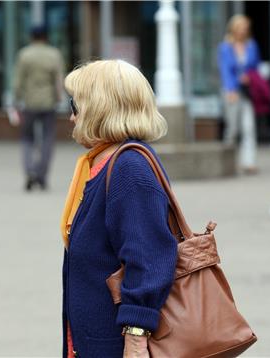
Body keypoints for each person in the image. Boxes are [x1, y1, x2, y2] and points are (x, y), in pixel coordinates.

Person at [60, 60, 177, 357]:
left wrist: (136, 339)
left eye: (75, 104)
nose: (71, 116)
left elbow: (148, 259)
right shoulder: (104, 163)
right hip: (94, 340)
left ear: (101, 107)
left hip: (116, 345)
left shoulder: (129, 168)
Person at [13, 25, 64, 191]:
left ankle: (29, 171)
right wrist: (58, 98)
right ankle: (41, 175)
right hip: (48, 103)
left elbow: (18, 81)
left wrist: (16, 99)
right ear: (46, 37)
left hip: (29, 103)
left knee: (27, 139)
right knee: (48, 139)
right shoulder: (54, 55)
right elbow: (58, 80)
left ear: (31, 37)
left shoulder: (24, 54)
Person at [217, 14, 261, 175]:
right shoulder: (225, 47)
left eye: (246, 28)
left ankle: (248, 163)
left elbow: (256, 67)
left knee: (249, 127)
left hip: (247, 92)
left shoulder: (252, 45)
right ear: (234, 29)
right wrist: (231, 89)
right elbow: (225, 70)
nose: (244, 30)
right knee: (232, 129)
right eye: (241, 27)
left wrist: (251, 78)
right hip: (232, 91)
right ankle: (228, 163)